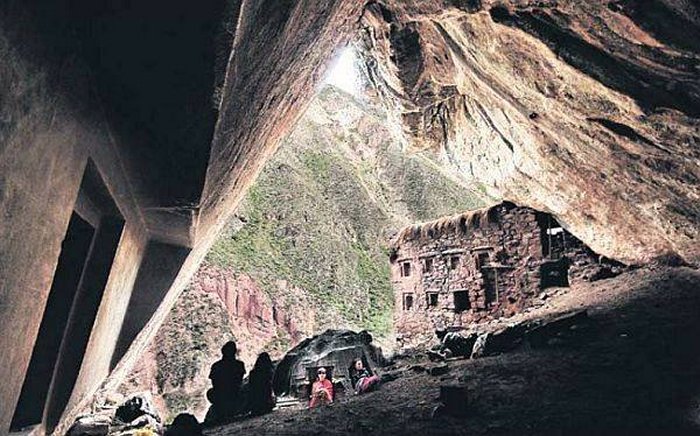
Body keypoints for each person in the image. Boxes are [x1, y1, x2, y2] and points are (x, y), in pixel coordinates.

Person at [207, 341, 246, 422]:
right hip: (235, 393)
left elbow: (214, 383)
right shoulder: (239, 364)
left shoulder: (216, 366)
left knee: (210, 392)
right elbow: (239, 381)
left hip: (220, 394)